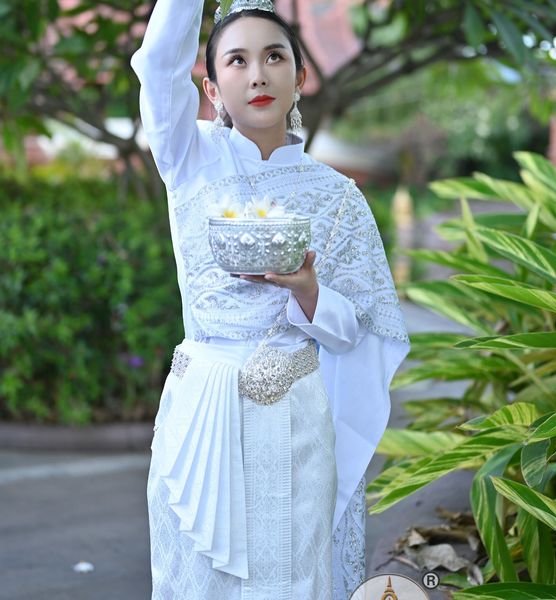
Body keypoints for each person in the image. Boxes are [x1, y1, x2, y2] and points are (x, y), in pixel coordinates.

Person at [131, 0, 411, 598]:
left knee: (290, 575)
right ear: (211, 85)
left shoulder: (337, 197)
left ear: (300, 76)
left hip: (293, 416)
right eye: (237, 60)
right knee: (195, 577)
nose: (257, 74)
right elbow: (156, 64)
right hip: (200, 408)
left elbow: (359, 329)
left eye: (274, 56)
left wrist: (310, 292)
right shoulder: (190, 157)